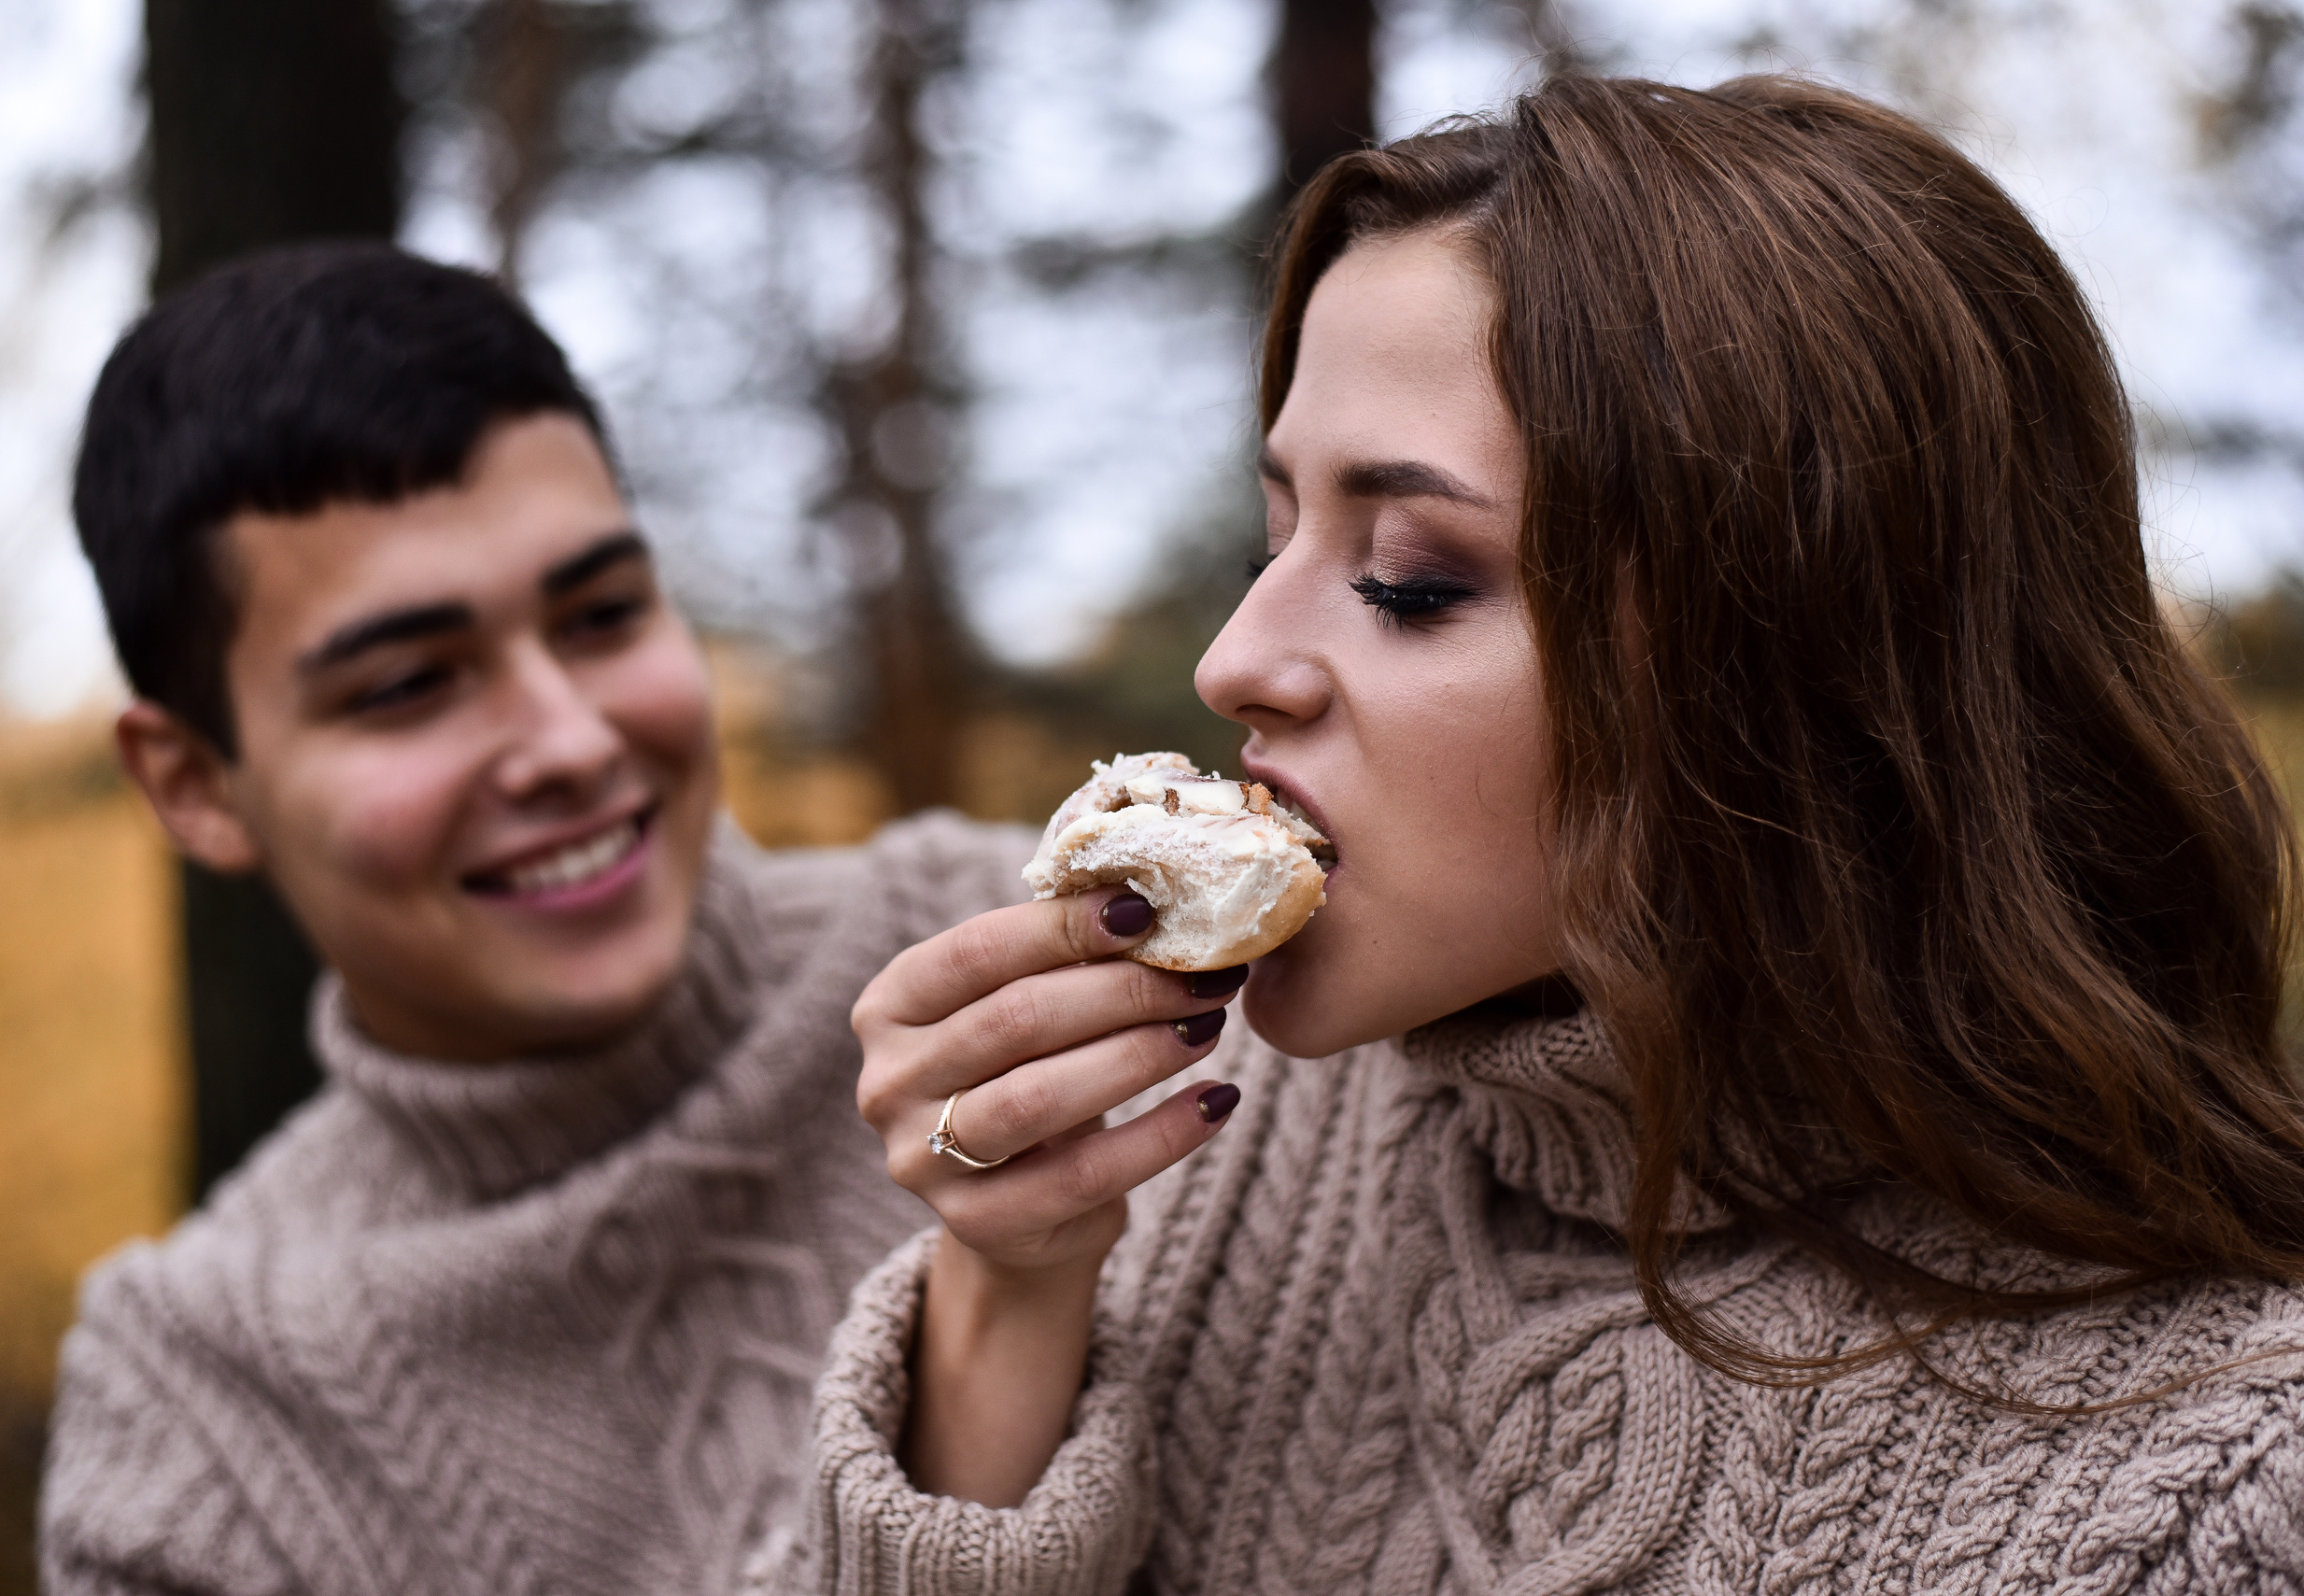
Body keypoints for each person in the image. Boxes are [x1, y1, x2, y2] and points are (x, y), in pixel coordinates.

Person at [764, 76, 2304, 1593]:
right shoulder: (1197, 1151)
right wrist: (1008, 1289)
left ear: (1795, 660)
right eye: (1274, 533)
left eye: (1412, 578)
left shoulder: (2219, 1479)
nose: (1234, 657)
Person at [37, 244, 1247, 1593]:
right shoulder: (204, 1420)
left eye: (603, 613)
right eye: (408, 684)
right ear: (195, 784)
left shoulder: (1063, 962)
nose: (566, 737)